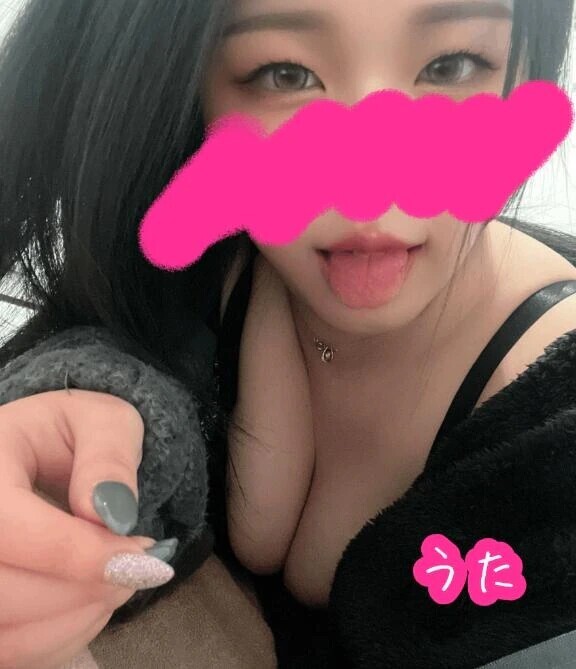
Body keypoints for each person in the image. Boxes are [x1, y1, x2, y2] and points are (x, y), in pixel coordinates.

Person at [1, 0, 576, 667]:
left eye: (451, 66)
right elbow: (107, 330)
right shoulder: (205, 257)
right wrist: (82, 407)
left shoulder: (553, 433)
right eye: (285, 75)